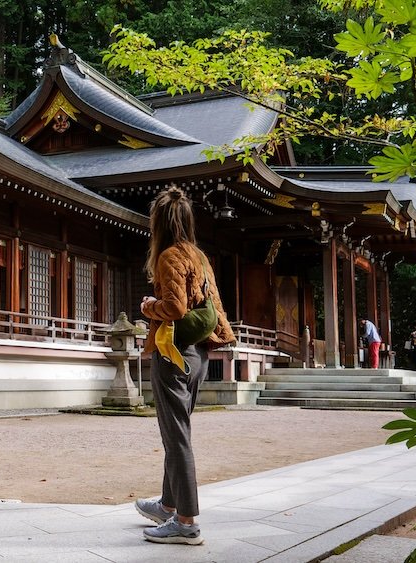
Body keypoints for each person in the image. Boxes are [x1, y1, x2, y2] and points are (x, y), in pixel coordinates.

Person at [136, 186, 236, 546]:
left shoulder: (167, 257)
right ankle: (167, 505)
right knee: (178, 432)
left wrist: (149, 306)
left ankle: (186, 521)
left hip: (173, 353)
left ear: (158, 224)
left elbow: (175, 308)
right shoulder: (199, 256)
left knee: (176, 436)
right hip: (199, 355)